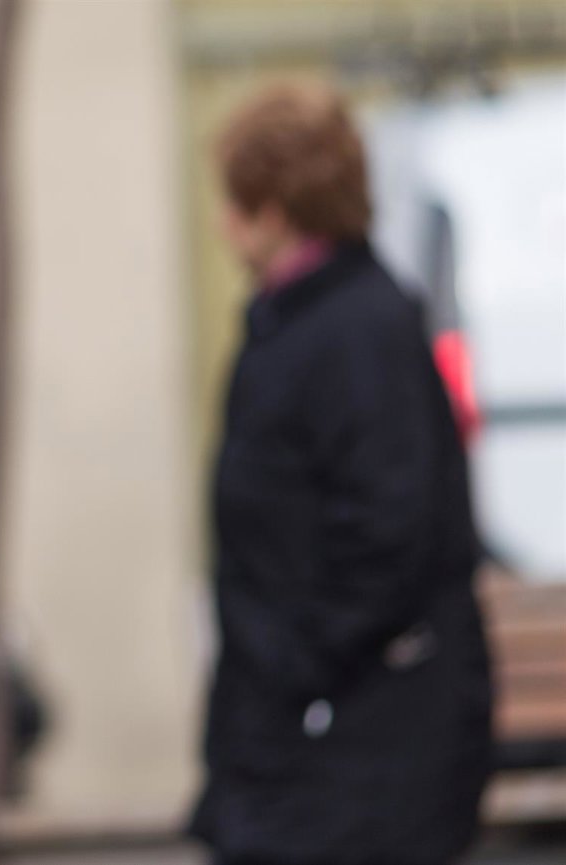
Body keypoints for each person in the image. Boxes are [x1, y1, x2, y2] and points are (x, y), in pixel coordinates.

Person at [189, 82, 493, 865]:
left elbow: (390, 534)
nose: (223, 224)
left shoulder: (358, 332)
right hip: (307, 743)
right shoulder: (301, 324)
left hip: (356, 753)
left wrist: (298, 672)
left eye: (236, 202)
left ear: (277, 212)